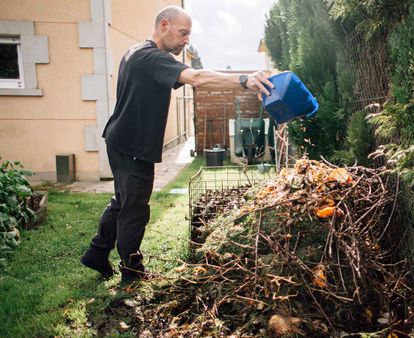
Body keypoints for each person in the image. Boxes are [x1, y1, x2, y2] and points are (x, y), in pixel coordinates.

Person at [80, 5, 274, 285]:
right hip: (133, 146)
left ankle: (97, 254)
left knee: (122, 201)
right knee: (135, 209)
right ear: (164, 25)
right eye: (183, 33)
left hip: (118, 138)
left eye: (189, 35)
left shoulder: (135, 51)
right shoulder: (153, 58)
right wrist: (244, 79)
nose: (186, 40)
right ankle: (132, 273)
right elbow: (196, 77)